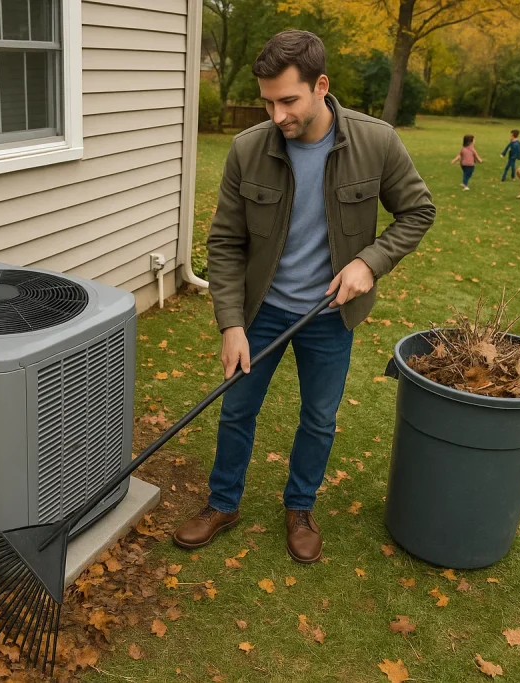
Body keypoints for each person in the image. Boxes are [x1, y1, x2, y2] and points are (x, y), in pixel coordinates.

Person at [173, 30, 436, 564]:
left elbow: (418, 212)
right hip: (261, 311)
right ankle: (223, 503)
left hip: (329, 315)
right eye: (268, 101)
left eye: (288, 100)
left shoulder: (376, 142)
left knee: (318, 418)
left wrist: (370, 261)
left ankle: (300, 508)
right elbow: (224, 243)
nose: (276, 115)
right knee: (236, 412)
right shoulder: (249, 150)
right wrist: (230, 323)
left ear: (321, 86)